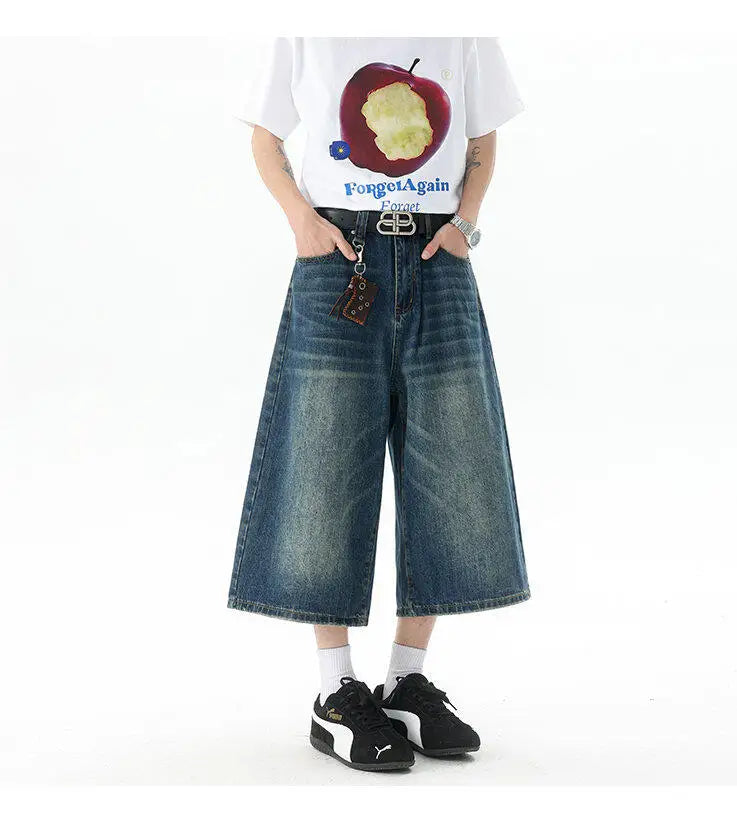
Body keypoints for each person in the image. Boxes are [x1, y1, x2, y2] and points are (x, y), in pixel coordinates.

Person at [228, 37, 530, 772]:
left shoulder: (462, 28)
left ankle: (405, 681)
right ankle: (335, 692)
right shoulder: (306, 27)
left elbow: (482, 134)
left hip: (437, 258)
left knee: (451, 464)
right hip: (338, 256)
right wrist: (301, 220)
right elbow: (265, 135)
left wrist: (465, 222)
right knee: (322, 464)